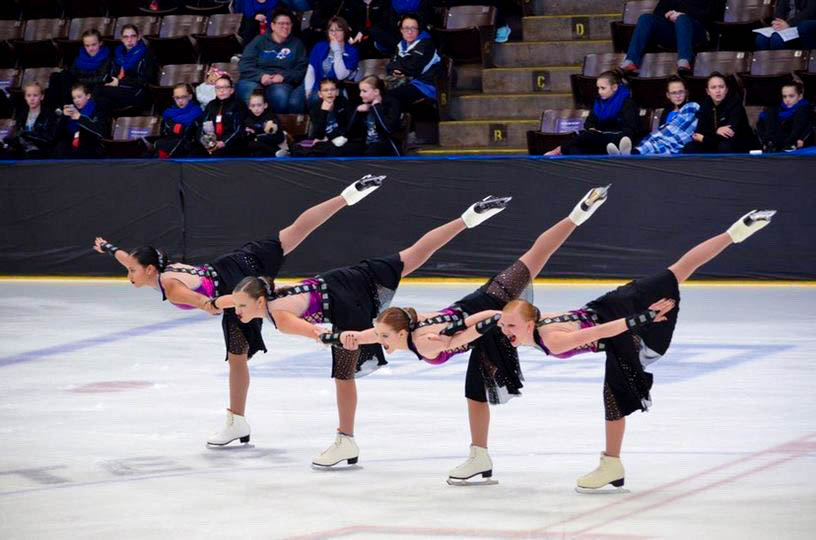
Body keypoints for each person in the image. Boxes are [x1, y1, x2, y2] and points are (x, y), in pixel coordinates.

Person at [333, 187, 610, 483]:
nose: (383, 344)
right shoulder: (409, 323)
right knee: (535, 256)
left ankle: (479, 455)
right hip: (485, 297)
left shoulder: (425, 342)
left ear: (401, 334)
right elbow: (379, 332)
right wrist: (348, 338)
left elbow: (468, 332)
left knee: (475, 392)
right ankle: (579, 212)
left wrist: (488, 323)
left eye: (385, 339)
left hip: (484, 320)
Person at [92, 174, 387, 446]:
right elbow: (126, 257)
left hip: (233, 287)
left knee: (237, 358)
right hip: (239, 261)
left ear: (150, 269)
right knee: (294, 232)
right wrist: (108, 248)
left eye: (133, 271)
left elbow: (208, 305)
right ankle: (347, 195)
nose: (129, 275)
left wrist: (247, 300)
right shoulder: (156, 267)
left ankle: (237, 420)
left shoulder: (169, 284)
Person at [494, 209, 776, 492]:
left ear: (530, 325)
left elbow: (602, 332)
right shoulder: (538, 316)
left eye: (510, 326)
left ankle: (611, 465)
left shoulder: (552, 340)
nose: (506, 332)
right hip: (611, 311)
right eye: (504, 327)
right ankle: (736, 231)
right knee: (678, 271)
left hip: (633, 336)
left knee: (614, 393)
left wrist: (646, 317)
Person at [225, 194, 510, 467]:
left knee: (343, 375)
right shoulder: (272, 293)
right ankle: (466, 218)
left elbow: (317, 333)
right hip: (348, 278)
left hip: (347, 305)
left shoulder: (279, 315)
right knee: (412, 255)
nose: (237, 312)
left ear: (260, 301)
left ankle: (345, 440)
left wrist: (340, 338)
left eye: (241, 306)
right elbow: (230, 300)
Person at [546, 71, 640, 156]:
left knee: (588, 136)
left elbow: (630, 130)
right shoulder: (598, 103)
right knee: (575, 149)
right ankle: (615, 153)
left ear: (614, 87)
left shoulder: (627, 102)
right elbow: (589, 123)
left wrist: (601, 134)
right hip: (598, 139)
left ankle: (559, 149)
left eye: (603, 88)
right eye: (598, 88)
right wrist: (595, 130)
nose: (599, 92)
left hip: (618, 138)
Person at [620, 0, 723, 74]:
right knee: (645, 18)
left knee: (682, 19)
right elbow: (658, 12)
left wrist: (682, 14)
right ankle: (631, 61)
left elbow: (714, 14)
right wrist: (667, 15)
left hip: (699, 31)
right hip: (675, 31)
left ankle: (684, 61)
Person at [237, 8, 308, 113]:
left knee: (280, 96)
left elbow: (301, 70)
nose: (285, 27)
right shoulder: (259, 40)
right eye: (281, 23)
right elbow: (244, 64)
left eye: (288, 24)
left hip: (281, 82)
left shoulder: (297, 44)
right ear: (272, 26)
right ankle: (252, 125)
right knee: (252, 96)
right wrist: (261, 76)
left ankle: (272, 125)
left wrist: (283, 77)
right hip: (254, 79)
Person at [608, 76, 700, 155]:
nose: (678, 96)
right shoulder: (666, 112)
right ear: (668, 95)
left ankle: (629, 155)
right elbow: (661, 132)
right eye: (674, 93)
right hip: (661, 142)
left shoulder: (691, 107)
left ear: (686, 92)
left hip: (675, 144)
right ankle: (626, 155)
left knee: (657, 144)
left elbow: (676, 132)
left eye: (681, 92)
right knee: (649, 141)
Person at [683, 72, 753, 154]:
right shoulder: (705, 105)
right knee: (689, 147)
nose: (718, 91)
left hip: (738, 143)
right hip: (714, 142)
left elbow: (729, 134)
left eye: (721, 87)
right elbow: (699, 131)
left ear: (726, 90)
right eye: (713, 87)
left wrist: (704, 138)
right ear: (708, 91)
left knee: (724, 145)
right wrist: (716, 131)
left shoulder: (735, 104)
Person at [384, 13, 441, 111]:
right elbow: (390, 66)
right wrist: (394, 70)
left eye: (413, 28)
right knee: (377, 93)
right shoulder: (401, 45)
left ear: (418, 30)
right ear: (401, 30)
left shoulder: (426, 43)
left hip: (426, 85)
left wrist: (399, 68)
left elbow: (413, 68)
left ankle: (398, 123)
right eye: (406, 28)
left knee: (390, 97)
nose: (409, 32)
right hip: (409, 83)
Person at [94, 24, 156, 114]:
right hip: (120, 91)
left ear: (138, 37)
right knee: (102, 101)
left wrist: (120, 82)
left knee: (99, 90)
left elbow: (144, 81)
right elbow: (113, 74)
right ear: (122, 39)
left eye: (133, 36)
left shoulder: (146, 54)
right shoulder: (118, 54)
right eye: (126, 37)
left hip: (138, 93)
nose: (129, 40)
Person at [46, 28, 111, 109]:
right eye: (87, 45)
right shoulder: (80, 58)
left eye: (94, 44)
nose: (90, 48)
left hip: (91, 89)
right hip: (76, 87)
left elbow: (101, 78)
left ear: (100, 43)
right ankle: (53, 110)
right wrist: (78, 80)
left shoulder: (107, 58)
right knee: (56, 75)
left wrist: (80, 80)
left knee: (65, 77)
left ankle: (67, 108)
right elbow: (73, 73)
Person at [304, 16, 359, 108]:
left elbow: (341, 75)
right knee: (301, 100)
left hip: (338, 88)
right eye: (331, 30)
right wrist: (308, 89)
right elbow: (311, 69)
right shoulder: (320, 46)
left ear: (345, 31)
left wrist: (337, 50)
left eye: (338, 30)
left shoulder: (352, 51)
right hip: (319, 85)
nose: (334, 33)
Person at [340, 75, 402, 156]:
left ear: (376, 92)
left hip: (385, 144)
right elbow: (348, 133)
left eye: (364, 91)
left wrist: (376, 107)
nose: (360, 95)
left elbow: (388, 129)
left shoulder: (391, 103)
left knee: (373, 150)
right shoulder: (363, 104)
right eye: (360, 91)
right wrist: (356, 112)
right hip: (365, 144)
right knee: (340, 150)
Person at [291, 77, 353, 157]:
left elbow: (346, 128)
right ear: (320, 94)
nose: (329, 93)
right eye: (325, 90)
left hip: (340, 140)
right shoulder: (315, 107)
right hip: (323, 142)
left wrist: (330, 138)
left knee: (339, 148)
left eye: (332, 89)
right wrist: (324, 111)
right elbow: (319, 134)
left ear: (337, 92)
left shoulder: (343, 103)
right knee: (298, 148)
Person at [1, 82, 59, 159]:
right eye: (29, 96)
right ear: (25, 97)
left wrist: (26, 134)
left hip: (40, 153)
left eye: (35, 95)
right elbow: (18, 138)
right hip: (22, 152)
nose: (32, 99)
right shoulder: (21, 115)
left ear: (42, 97)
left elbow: (49, 140)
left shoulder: (49, 115)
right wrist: (6, 143)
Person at [194, 75, 247, 157]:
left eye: (225, 87)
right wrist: (206, 141)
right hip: (212, 142)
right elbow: (202, 125)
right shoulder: (211, 105)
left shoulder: (238, 105)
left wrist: (223, 142)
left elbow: (238, 130)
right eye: (218, 88)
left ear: (231, 90)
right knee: (194, 154)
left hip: (231, 144)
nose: (221, 90)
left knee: (218, 154)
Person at [54, 82, 109, 158]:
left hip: (92, 147)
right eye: (74, 98)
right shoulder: (73, 111)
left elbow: (100, 132)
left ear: (88, 96)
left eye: (79, 97)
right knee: (60, 147)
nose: (76, 100)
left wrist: (80, 117)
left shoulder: (98, 109)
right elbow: (56, 135)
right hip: (74, 145)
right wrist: (64, 117)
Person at [756, 81, 814, 153]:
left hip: (795, 142)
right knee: (768, 112)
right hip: (779, 142)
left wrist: (801, 138)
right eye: (784, 96)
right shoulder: (778, 109)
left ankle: (785, 144)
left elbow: (810, 125)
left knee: (801, 110)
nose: (787, 99)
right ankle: (771, 143)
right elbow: (761, 124)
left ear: (800, 96)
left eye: (791, 96)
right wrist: (765, 141)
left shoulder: (805, 108)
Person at [154, 83, 203, 159]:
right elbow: (164, 133)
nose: (180, 101)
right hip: (170, 142)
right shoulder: (168, 113)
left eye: (183, 97)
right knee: (160, 142)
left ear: (190, 97)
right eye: (177, 98)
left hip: (188, 145)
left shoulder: (196, 111)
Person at [244, 89, 287, 157]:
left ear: (265, 105)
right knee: (251, 144)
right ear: (249, 107)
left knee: (259, 145)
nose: (256, 109)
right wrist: (246, 132)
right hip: (254, 149)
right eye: (253, 106)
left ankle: (279, 153)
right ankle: (277, 151)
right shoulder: (247, 119)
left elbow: (279, 137)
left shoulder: (272, 118)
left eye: (259, 105)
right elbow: (245, 139)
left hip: (269, 146)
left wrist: (259, 137)